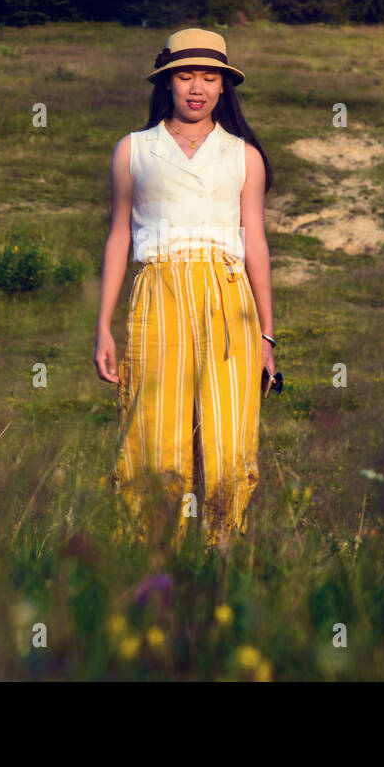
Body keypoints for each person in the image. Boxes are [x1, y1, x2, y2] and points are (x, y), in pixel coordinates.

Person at [94, 28, 277, 549]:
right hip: (158, 293)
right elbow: (118, 236)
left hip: (228, 299)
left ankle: (223, 557)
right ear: (167, 82)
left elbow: (256, 245)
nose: (197, 87)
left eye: (209, 76)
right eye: (185, 75)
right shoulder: (134, 150)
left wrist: (267, 337)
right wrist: (103, 327)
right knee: (154, 431)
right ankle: (152, 559)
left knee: (228, 433)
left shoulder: (244, 156)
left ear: (224, 87)